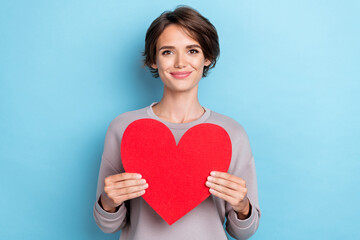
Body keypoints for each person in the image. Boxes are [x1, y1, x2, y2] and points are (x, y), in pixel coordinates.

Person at [93, 5, 261, 240]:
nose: (181, 63)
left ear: (207, 57)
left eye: (192, 50)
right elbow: (108, 225)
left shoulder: (232, 133)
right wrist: (108, 202)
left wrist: (243, 207)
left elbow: (243, 232)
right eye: (168, 52)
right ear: (153, 60)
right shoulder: (123, 128)